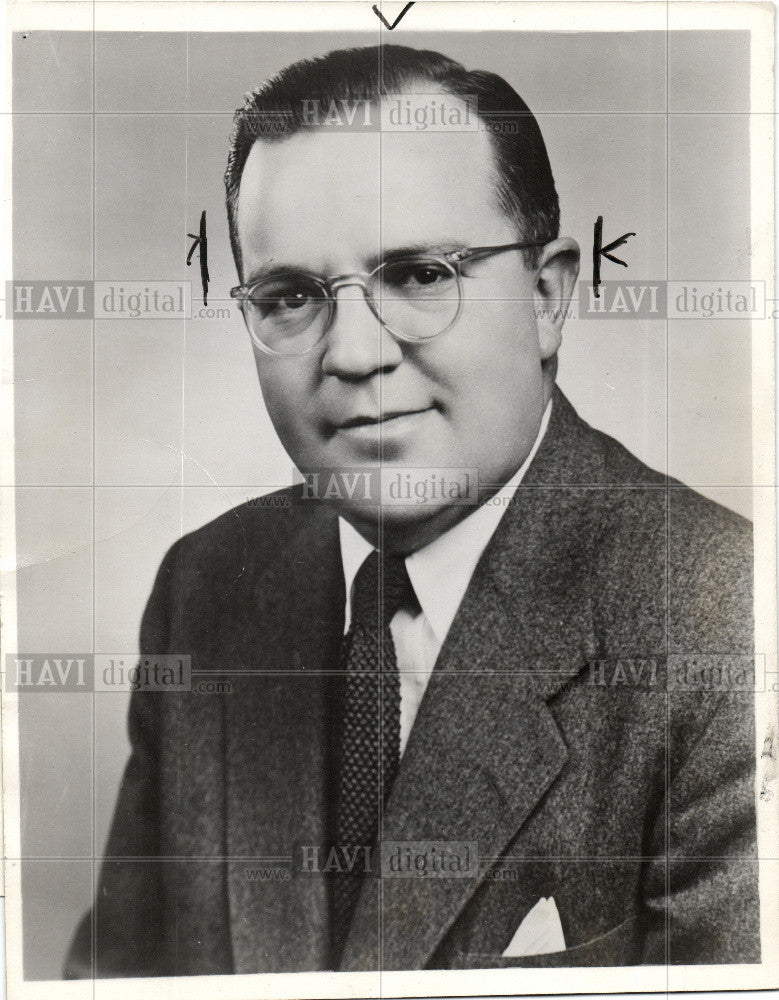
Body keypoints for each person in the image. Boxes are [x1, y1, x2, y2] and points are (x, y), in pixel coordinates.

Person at [65, 43, 758, 977]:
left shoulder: (723, 621)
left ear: (548, 296)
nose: (354, 354)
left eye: (419, 275)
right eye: (292, 296)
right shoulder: (206, 591)